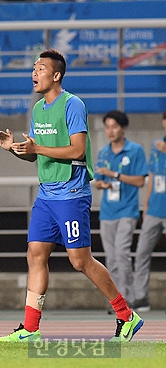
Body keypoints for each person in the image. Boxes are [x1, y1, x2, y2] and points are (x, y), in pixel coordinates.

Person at [0, 49, 143, 342]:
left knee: (80, 261)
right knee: (35, 255)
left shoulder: (73, 104)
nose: (34, 74)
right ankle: (30, 329)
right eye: (34, 69)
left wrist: (37, 149)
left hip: (71, 194)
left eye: (40, 69)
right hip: (46, 195)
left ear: (57, 75)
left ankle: (127, 315)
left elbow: (77, 151)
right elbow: (36, 156)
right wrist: (15, 148)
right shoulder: (38, 109)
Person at [94, 110, 147, 309]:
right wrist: (102, 184)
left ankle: (129, 298)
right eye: (107, 127)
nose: (111, 131)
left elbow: (140, 180)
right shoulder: (104, 152)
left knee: (122, 253)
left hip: (127, 210)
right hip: (107, 211)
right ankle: (116, 300)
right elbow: (98, 180)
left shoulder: (135, 150)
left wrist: (114, 175)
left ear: (123, 128)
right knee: (111, 257)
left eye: (114, 126)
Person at [132, 110, 166, 312]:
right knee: (142, 252)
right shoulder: (156, 145)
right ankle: (140, 298)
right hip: (154, 208)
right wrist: (146, 204)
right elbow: (151, 175)